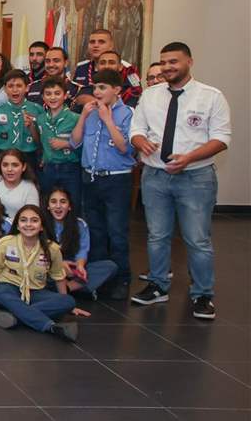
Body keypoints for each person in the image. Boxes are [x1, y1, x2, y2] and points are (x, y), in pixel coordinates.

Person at [129, 42, 230, 319]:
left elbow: (221, 138)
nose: (167, 67)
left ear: (189, 62)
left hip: (195, 177)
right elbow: (136, 130)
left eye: (173, 61)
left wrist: (189, 158)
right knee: (157, 235)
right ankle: (158, 285)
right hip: (155, 175)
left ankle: (202, 294)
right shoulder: (150, 95)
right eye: (163, 62)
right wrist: (140, 142)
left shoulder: (211, 97)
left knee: (197, 239)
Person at [0, 205, 86, 342]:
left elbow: (59, 277)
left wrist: (67, 306)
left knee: (68, 301)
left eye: (34, 220)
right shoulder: (6, 243)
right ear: (18, 225)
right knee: (0, 293)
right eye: (23, 220)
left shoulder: (52, 249)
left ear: (41, 226)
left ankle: (14, 316)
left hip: (36, 292)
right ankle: (51, 327)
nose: (28, 224)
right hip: (9, 288)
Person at [70, 69, 134, 299]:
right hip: (90, 177)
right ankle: (100, 277)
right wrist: (83, 117)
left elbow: (124, 147)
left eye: (102, 87)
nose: (96, 92)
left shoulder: (127, 114)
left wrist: (108, 119)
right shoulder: (91, 113)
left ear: (116, 90)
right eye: (95, 87)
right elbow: (74, 142)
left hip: (116, 178)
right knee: (95, 229)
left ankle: (122, 278)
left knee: (116, 231)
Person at [45, 187, 115, 301]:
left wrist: (80, 266)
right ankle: (73, 289)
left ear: (69, 206)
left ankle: (67, 288)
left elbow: (82, 250)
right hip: (50, 267)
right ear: (48, 206)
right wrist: (60, 264)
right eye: (53, 202)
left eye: (63, 202)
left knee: (109, 266)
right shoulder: (41, 224)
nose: (58, 206)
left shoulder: (80, 225)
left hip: (71, 268)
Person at [33, 77, 82, 206]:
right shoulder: (41, 119)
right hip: (48, 169)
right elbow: (40, 143)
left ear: (65, 95)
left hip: (70, 168)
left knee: (72, 204)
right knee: (47, 204)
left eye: (57, 93)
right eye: (48, 94)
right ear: (43, 97)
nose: (53, 97)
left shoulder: (76, 118)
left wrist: (67, 144)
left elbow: (84, 144)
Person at [0, 69, 41, 164]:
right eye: (10, 86)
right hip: (2, 157)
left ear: (27, 88)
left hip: (28, 157)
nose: (14, 90)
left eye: (19, 86)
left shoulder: (37, 110)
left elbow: (41, 142)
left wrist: (32, 127)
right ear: (5, 89)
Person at [72, 28, 141, 106]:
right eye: (92, 42)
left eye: (101, 42)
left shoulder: (128, 69)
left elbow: (135, 93)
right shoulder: (81, 67)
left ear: (111, 46)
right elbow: (75, 94)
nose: (95, 45)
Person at [0, 149, 41, 218]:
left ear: (24, 167)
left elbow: (32, 216)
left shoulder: (30, 188)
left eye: (15, 165)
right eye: (5, 165)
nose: (9, 169)